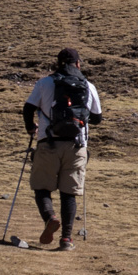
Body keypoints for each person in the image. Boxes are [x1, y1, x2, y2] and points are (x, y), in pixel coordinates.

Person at [21, 47, 103, 251]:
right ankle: (66, 239)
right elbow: (98, 118)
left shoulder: (45, 83)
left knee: (41, 187)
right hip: (77, 144)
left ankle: (50, 217)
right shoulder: (88, 86)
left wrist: (31, 127)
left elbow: (28, 108)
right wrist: (79, 119)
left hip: (48, 142)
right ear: (78, 64)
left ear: (58, 63)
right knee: (69, 192)